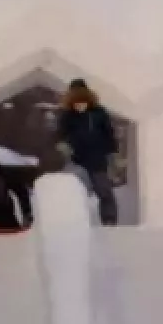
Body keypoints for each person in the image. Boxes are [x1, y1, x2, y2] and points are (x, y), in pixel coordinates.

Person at [56, 79, 119, 227]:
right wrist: (63, 146)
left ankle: (109, 222)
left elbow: (109, 134)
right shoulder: (67, 115)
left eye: (82, 100)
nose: (79, 104)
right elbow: (60, 134)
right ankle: (73, 222)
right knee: (74, 194)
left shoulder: (99, 113)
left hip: (98, 161)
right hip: (77, 161)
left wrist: (113, 153)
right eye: (76, 100)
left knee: (105, 193)